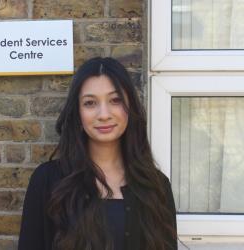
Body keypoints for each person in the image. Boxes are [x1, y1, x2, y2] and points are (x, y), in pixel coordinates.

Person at [18, 57, 177, 250]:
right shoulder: (47, 181)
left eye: (115, 100)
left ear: (130, 108)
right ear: (77, 112)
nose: (103, 114)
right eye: (90, 103)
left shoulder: (156, 186)